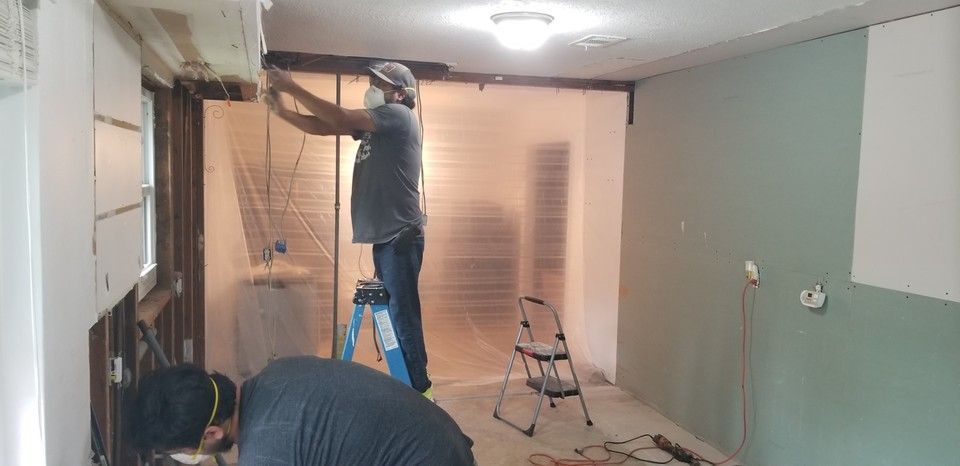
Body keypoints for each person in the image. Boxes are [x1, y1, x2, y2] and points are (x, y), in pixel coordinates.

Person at [264, 62, 433, 398]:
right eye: (371, 81)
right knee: (398, 315)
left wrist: (291, 87)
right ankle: (410, 386)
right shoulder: (378, 125)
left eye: (378, 84)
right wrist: (282, 111)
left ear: (400, 93)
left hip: (399, 238)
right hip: (389, 239)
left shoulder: (398, 116)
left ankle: (421, 393)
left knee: (403, 316)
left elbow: (339, 117)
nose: (371, 88)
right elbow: (324, 126)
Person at [131, 356, 475, 465]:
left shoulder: (266, 451)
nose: (182, 456)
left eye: (181, 451)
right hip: (444, 441)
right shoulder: (276, 372)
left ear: (212, 433)